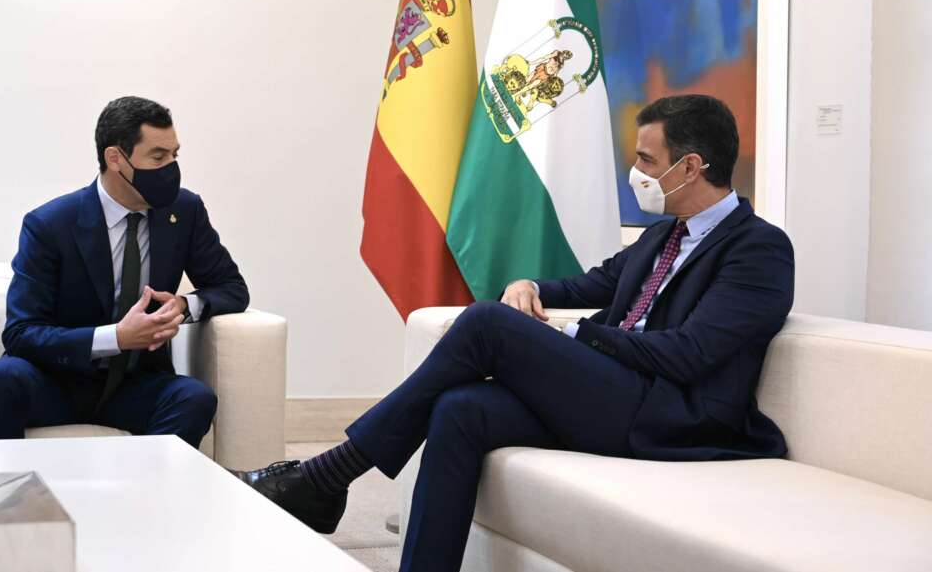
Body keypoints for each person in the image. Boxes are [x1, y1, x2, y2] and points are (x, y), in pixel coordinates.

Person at [236, 94, 794, 572]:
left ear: (691, 166)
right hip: (618, 395)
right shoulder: (661, 236)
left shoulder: (758, 248)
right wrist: (530, 284)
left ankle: (327, 475)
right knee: (462, 407)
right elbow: (597, 282)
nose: (637, 172)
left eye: (647, 159)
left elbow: (691, 356)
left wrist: (574, 337)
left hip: (672, 417)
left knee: (485, 322)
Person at [0, 96, 249, 449]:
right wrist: (116, 337)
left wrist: (183, 305)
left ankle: (144, 500)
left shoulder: (184, 211)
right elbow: (22, 333)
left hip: (133, 384)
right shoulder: (50, 224)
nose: (171, 167)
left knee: (194, 397)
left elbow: (231, 287)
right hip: (55, 381)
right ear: (115, 158)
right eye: (158, 157)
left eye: (175, 155)